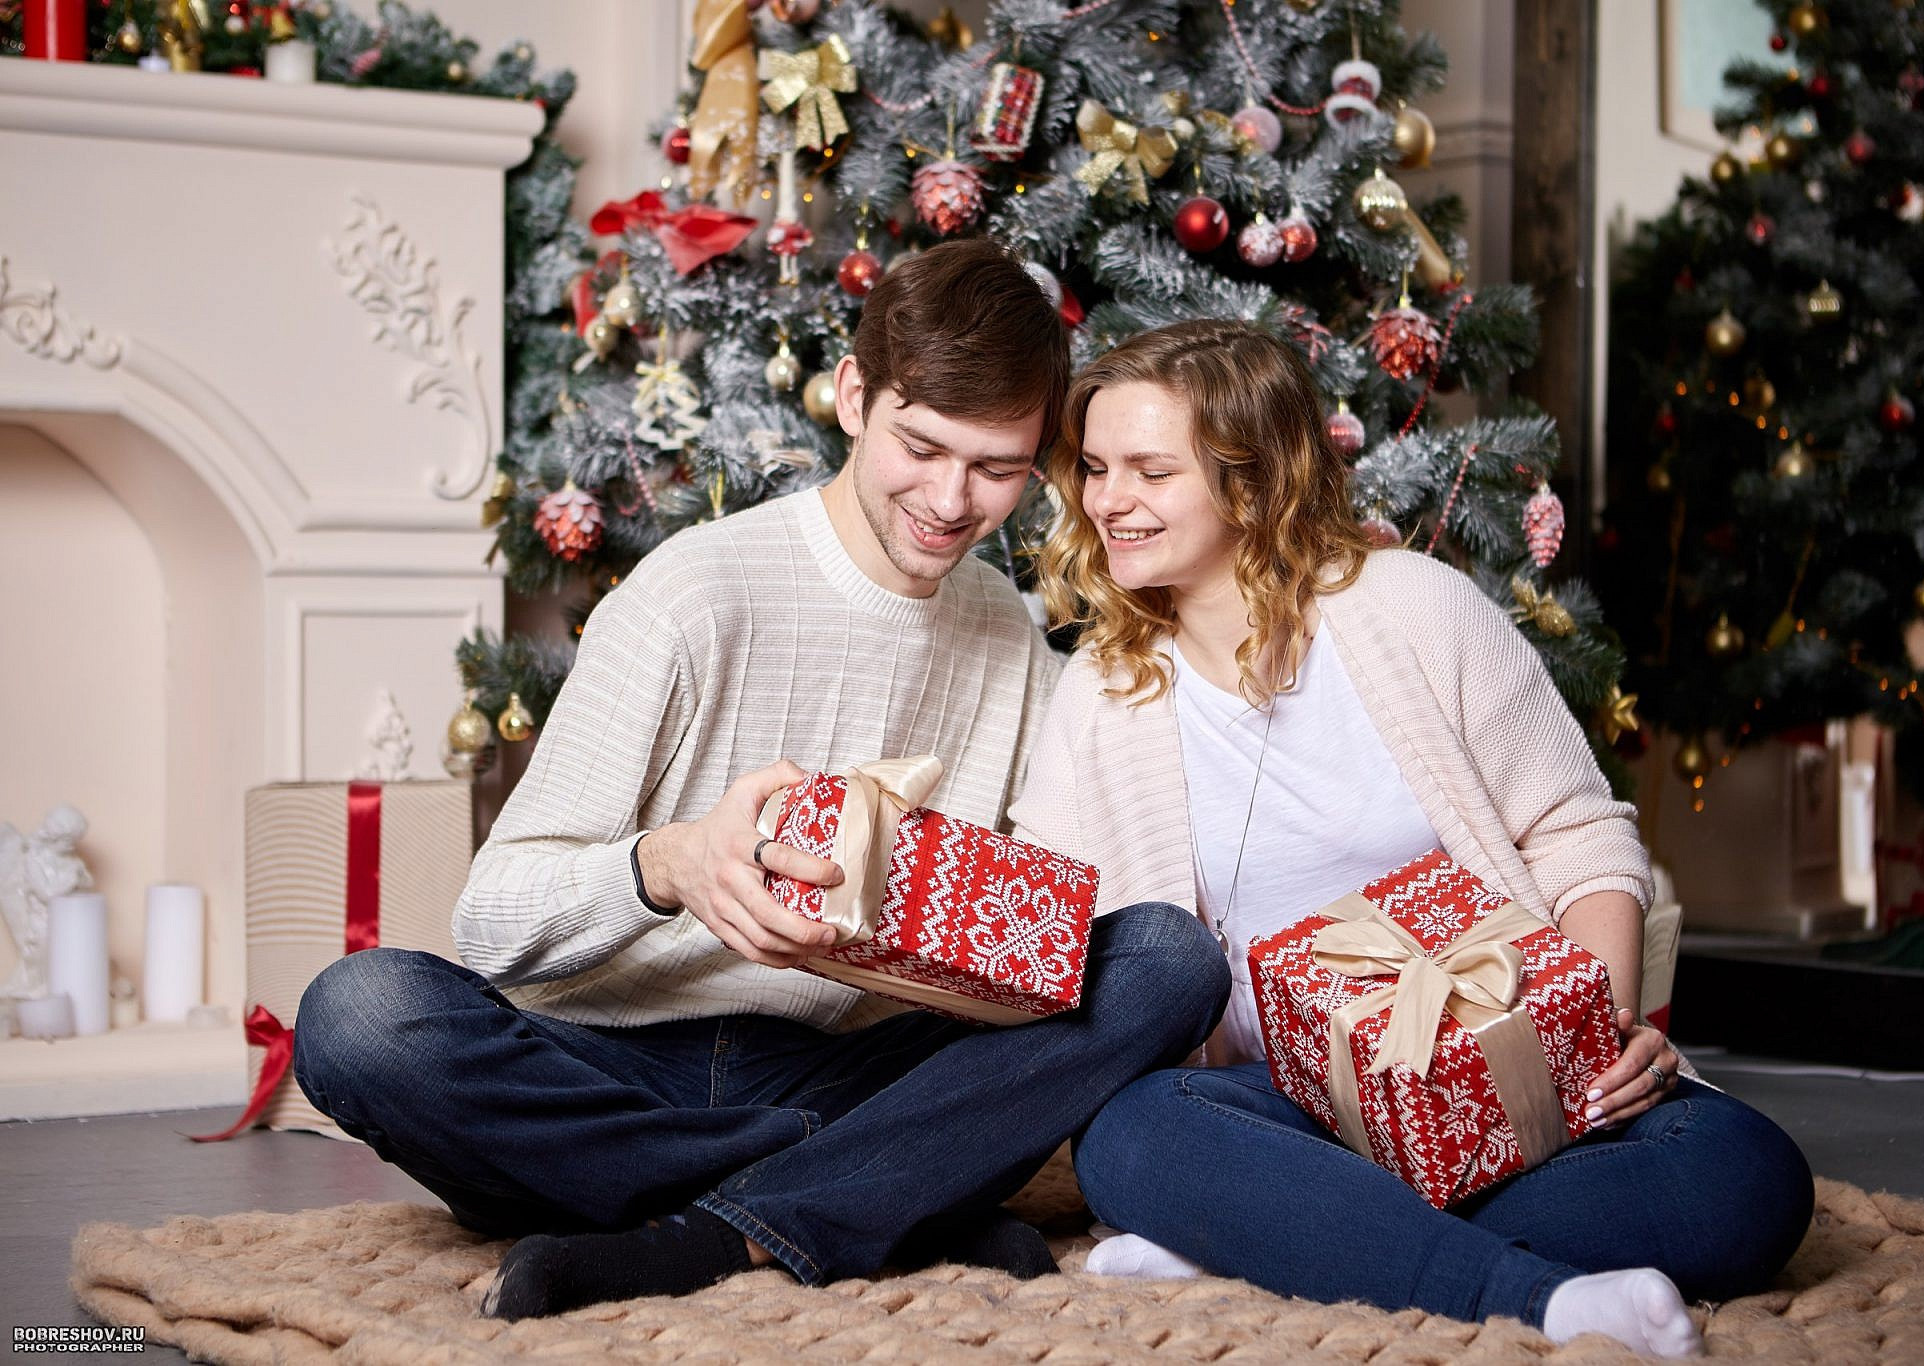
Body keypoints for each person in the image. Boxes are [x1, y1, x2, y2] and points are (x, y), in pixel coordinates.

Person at [290, 241, 1229, 1322]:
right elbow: (494, 923)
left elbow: (1034, 939)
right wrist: (669, 866)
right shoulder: (692, 595)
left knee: (1164, 958)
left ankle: (713, 1230)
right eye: (921, 446)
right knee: (361, 1015)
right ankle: (870, 1194)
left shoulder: (1010, 641)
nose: (949, 498)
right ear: (854, 397)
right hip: (603, 1063)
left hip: (840, 1065)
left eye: (996, 467)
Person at [1010, 319, 1812, 1358]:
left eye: (1150, 471)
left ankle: (1275, 1235)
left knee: (1742, 1178)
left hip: (1500, 1083)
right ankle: (1533, 1298)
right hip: (1278, 1103)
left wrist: (1596, 1040)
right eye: (1095, 467)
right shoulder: (1102, 688)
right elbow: (1051, 922)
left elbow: (1577, 832)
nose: (1106, 500)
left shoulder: (1414, 609)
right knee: (1132, 1135)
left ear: (1254, 479)